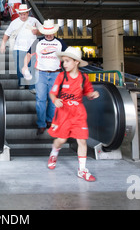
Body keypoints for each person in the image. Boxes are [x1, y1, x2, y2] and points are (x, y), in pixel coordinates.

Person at [47, 46, 100, 182]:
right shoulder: (61, 76)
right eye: (63, 61)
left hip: (78, 113)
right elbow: (52, 93)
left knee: (82, 141)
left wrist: (92, 94)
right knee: (61, 140)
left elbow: (88, 93)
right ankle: (54, 152)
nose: (64, 64)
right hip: (63, 113)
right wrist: (55, 100)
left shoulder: (84, 78)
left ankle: (82, 170)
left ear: (76, 62)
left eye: (67, 61)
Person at [22, 20, 68, 135]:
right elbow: (28, 55)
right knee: (40, 100)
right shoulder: (38, 42)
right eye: (46, 32)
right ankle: (41, 124)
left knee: (53, 100)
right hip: (40, 74)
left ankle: (49, 120)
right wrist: (24, 66)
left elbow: (68, 57)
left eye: (50, 32)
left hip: (56, 74)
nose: (48, 34)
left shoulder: (60, 43)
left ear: (54, 31)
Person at [0, 4, 41, 90]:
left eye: (24, 14)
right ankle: (22, 83)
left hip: (32, 48)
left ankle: (32, 86)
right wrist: (3, 44)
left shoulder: (34, 20)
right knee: (20, 68)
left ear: (28, 13)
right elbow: (7, 34)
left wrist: (37, 32)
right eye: (21, 14)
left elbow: (42, 31)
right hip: (18, 48)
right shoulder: (14, 22)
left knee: (32, 67)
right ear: (19, 14)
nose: (23, 16)